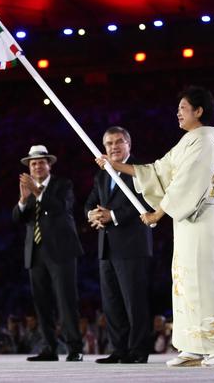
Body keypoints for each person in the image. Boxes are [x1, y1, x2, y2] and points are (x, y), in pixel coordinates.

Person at [95, 86, 214, 368]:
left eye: (183, 108)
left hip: (202, 216)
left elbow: (187, 183)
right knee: (184, 280)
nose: (178, 113)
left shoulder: (206, 143)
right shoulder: (187, 142)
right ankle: (193, 346)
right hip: (185, 220)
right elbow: (158, 170)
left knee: (203, 279)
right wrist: (114, 165)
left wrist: (158, 212)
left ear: (199, 111)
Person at [85, 126, 153, 364]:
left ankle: (138, 351)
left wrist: (112, 216)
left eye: (118, 142)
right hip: (107, 247)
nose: (113, 147)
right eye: (109, 144)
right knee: (112, 302)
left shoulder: (139, 171)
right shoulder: (102, 174)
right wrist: (92, 214)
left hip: (132, 246)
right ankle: (119, 349)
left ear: (128, 144)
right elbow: (91, 202)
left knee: (134, 301)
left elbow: (146, 201)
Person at [13, 145, 84, 362]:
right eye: (33, 163)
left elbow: (60, 209)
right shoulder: (29, 189)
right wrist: (24, 200)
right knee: (42, 303)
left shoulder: (62, 185)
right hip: (35, 252)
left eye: (41, 162)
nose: (37, 166)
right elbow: (18, 219)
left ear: (49, 165)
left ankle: (75, 348)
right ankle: (49, 348)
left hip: (61, 251)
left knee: (66, 300)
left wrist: (36, 192)